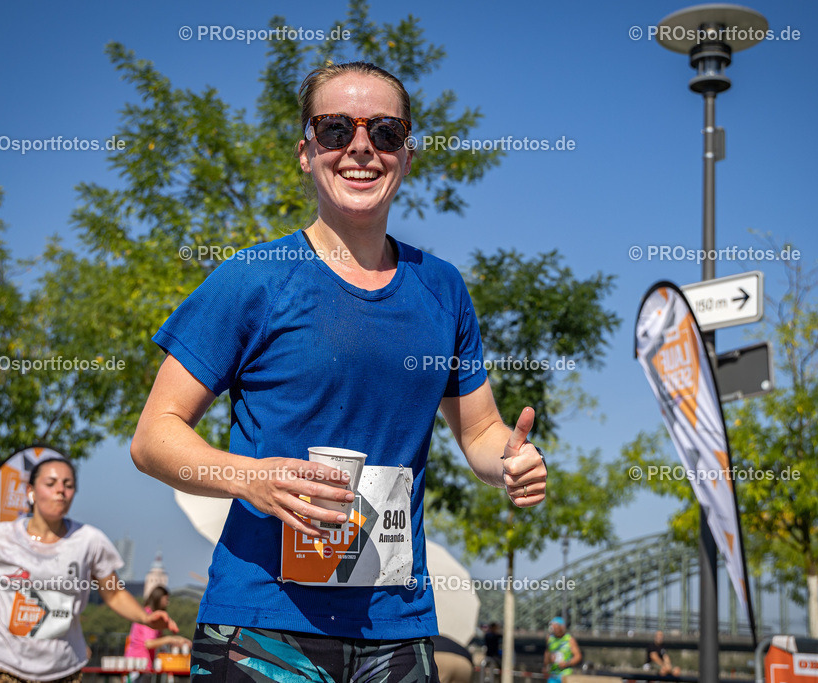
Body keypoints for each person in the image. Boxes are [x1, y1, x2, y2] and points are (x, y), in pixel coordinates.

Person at [130, 60, 548, 681]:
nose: (360, 147)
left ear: (407, 155)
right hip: (262, 624)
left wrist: (511, 462)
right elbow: (153, 437)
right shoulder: (253, 279)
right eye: (334, 130)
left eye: (384, 131)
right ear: (306, 153)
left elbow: (481, 432)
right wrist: (252, 478)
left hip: (396, 625)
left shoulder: (442, 288)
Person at [0, 458, 178, 683]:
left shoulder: (89, 540)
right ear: (31, 491)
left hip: (62, 668)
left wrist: (145, 618)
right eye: (51, 483)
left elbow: (113, 593)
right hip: (0, 661)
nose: (61, 491)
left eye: (68, 485)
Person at [124, 586, 192, 680]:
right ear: (158, 598)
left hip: (143, 665)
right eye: (166, 599)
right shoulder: (149, 615)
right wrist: (170, 639)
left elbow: (159, 640)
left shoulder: (151, 615)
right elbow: (149, 643)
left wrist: (178, 640)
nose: (167, 602)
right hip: (137, 664)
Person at [543, 617, 582, 683]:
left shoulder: (569, 639)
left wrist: (567, 663)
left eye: (556, 626)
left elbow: (578, 656)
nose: (554, 629)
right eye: (553, 626)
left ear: (562, 627)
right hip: (553, 674)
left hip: (565, 674)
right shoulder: (550, 639)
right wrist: (546, 665)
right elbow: (547, 653)